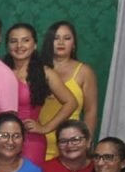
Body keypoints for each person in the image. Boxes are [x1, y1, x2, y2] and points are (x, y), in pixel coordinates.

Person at [3, 23, 76, 167]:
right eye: (13, 41)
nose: (19, 45)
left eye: (25, 40)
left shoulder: (45, 73)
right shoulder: (0, 70)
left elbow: (71, 102)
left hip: (30, 140)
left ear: (35, 45)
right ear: (7, 46)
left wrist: (45, 128)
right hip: (0, 139)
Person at [40, 21, 98, 160]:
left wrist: (86, 142)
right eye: (56, 38)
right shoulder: (37, 69)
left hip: (71, 145)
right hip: (38, 141)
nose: (61, 42)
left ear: (74, 44)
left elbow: (91, 111)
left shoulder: (84, 71)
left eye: (67, 38)